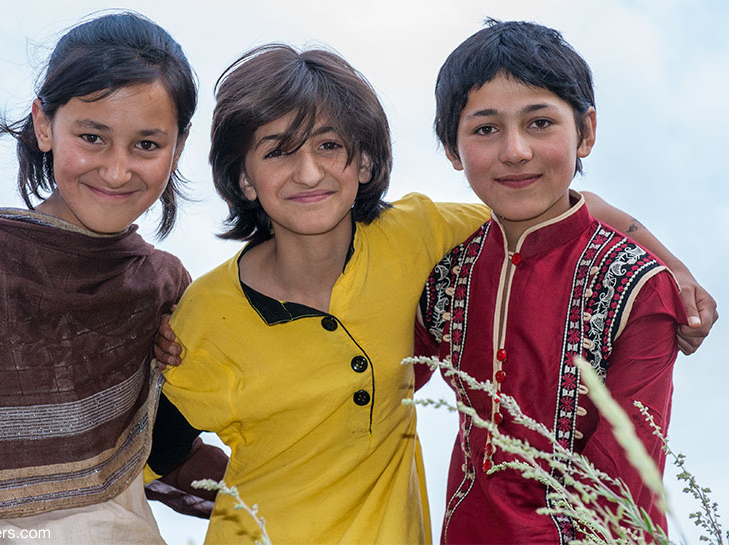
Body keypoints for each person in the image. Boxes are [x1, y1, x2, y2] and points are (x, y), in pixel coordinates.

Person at [149, 43, 715, 545]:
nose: (307, 172)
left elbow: (553, 208)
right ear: (244, 177)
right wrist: (247, 496)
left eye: (328, 145)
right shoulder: (209, 312)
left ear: (365, 161)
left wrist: (671, 267)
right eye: (276, 151)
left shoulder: (416, 239)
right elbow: (153, 449)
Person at [0, 12, 225, 545]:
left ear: (178, 147)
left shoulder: (164, 289)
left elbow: (162, 454)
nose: (116, 171)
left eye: (147, 145)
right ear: (45, 124)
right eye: (92, 137)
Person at [416, 19, 697, 544]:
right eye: (485, 129)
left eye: (540, 122)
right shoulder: (444, 271)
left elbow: (621, 483)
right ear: (451, 150)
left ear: (585, 132)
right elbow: (371, 391)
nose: (515, 150)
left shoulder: (639, 287)